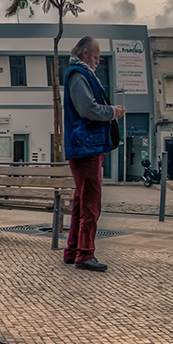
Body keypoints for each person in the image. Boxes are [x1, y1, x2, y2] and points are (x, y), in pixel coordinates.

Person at [63, 35, 125, 272]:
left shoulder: (80, 74)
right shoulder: (79, 75)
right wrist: (112, 111)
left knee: (82, 200)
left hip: (85, 146)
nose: (98, 62)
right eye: (97, 57)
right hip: (86, 146)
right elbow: (87, 108)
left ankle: (73, 251)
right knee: (90, 202)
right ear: (85, 54)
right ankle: (85, 254)